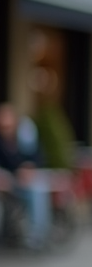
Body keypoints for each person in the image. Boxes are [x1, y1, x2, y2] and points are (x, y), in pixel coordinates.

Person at [0, 102, 50, 249]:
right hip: (7, 181)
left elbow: (37, 157)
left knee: (38, 189)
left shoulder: (25, 135)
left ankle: (37, 235)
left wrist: (29, 168)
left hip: (25, 179)